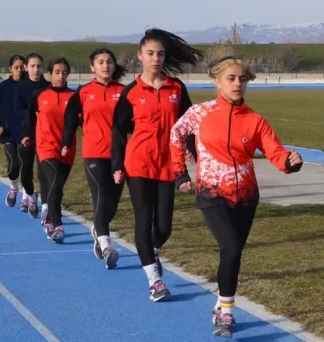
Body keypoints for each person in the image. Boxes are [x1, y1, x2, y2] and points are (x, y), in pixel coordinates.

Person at [169, 56, 303, 338]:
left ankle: (220, 304)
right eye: (231, 78)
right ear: (217, 81)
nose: (237, 83)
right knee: (230, 247)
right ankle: (227, 312)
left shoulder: (255, 121)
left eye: (242, 79)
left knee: (234, 253)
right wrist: (180, 173)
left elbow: (276, 153)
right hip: (211, 192)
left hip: (246, 197)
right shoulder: (199, 113)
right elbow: (175, 134)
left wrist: (290, 163)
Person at [111, 28, 202, 302]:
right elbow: (118, 130)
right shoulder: (131, 92)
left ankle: (152, 250)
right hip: (138, 164)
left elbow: (190, 125)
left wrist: (193, 152)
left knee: (163, 227)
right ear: (140, 56)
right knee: (143, 219)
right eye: (150, 53)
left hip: (168, 165)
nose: (156, 58)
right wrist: (117, 163)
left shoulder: (177, 89)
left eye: (160, 54)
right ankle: (155, 280)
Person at [62, 48, 127, 269]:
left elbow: (134, 121)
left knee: (112, 202)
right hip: (93, 153)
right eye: (100, 62)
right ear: (92, 67)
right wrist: (66, 141)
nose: (105, 66)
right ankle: (107, 245)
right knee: (100, 196)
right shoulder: (83, 92)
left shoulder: (124, 91)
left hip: (119, 155)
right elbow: (71, 118)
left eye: (109, 62)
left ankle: (98, 229)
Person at [21, 58, 76, 244]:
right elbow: (29, 117)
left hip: (67, 149)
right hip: (45, 146)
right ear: (50, 73)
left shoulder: (75, 97)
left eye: (64, 72)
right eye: (57, 72)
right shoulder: (39, 95)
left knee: (57, 187)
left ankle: (47, 213)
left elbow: (83, 120)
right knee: (54, 182)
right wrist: (27, 134)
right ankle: (56, 223)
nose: (61, 76)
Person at [0, 54, 27, 208]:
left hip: (25, 134)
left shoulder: (30, 86)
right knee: (13, 165)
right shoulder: (2, 87)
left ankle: (27, 195)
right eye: (16, 68)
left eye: (22, 67)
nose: (19, 70)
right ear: (10, 68)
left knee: (25, 165)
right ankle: (13, 187)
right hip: (8, 133)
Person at [14, 53, 51, 220]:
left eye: (39, 66)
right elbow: (18, 114)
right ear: (26, 68)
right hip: (27, 137)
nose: (36, 69)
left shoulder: (49, 87)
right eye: (33, 66)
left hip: (45, 137)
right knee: (26, 174)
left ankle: (47, 208)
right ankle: (30, 195)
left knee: (44, 173)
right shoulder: (20, 89)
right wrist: (23, 134)